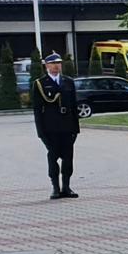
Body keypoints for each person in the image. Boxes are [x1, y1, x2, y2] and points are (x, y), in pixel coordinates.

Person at [32, 51, 81, 200]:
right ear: (47, 66)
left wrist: (76, 129)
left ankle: (66, 187)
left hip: (67, 127)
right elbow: (37, 111)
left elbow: (73, 106)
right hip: (50, 128)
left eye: (58, 63)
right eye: (53, 64)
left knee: (68, 158)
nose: (56, 66)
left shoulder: (68, 82)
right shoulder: (40, 83)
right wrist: (40, 132)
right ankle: (55, 187)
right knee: (53, 158)